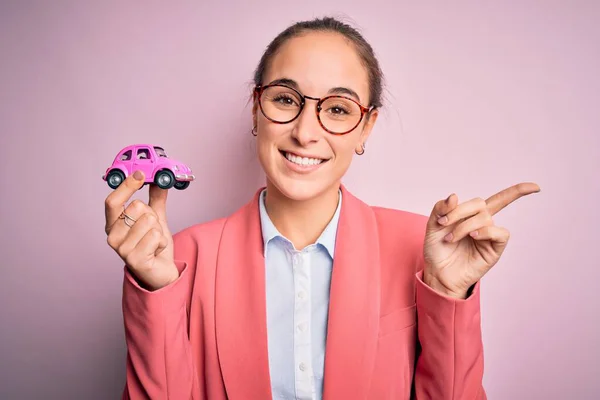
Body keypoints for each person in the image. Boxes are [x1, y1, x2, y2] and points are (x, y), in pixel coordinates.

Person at [104, 17, 540, 400]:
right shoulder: (182, 258)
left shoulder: (424, 249)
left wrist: (448, 296)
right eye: (285, 100)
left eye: (337, 109)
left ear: (366, 127)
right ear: (256, 109)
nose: (306, 133)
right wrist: (155, 291)